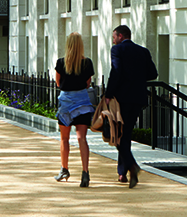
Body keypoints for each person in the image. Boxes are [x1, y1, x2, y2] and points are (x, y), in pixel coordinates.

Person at [104, 24, 157, 188]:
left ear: (120, 36)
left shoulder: (117, 50)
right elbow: (153, 74)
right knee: (125, 135)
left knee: (118, 136)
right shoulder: (143, 51)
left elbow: (116, 72)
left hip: (121, 99)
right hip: (138, 98)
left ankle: (132, 166)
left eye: (114, 37)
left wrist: (108, 94)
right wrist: (137, 77)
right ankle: (122, 173)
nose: (113, 41)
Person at [54, 32, 95, 187]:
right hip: (82, 103)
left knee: (64, 138)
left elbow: (58, 82)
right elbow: (87, 83)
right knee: (82, 138)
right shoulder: (87, 63)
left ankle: (64, 169)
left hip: (66, 103)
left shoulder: (61, 62)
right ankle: (85, 172)